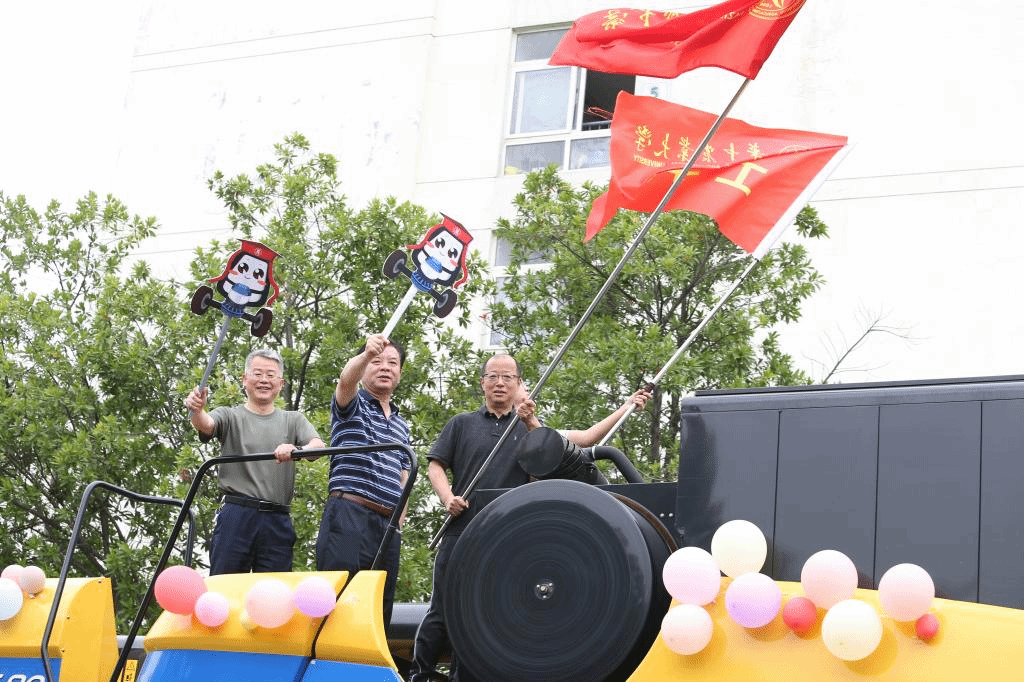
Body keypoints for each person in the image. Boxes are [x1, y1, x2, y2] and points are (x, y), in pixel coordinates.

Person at [409, 353, 532, 682]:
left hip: (506, 537)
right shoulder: (461, 423)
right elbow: (436, 466)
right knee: (443, 606)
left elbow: (543, 472)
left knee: (488, 611)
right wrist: (447, 497)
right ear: (482, 383)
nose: (500, 383)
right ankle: (421, 674)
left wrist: (532, 422)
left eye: (507, 377)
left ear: (519, 384)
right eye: (493, 376)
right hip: (461, 529)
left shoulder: (527, 429)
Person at [185, 348, 325, 576]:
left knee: (275, 590)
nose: (264, 380)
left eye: (270, 375)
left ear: (281, 383)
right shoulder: (230, 415)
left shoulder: (293, 420)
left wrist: (296, 450)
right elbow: (207, 424)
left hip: (277, 519)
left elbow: (318, 446)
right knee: (226, 586)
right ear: (244, 379)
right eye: (257, 374)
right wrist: (197, 410)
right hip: (236, 514)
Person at [315, 333, 411, 630]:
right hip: (350, 512)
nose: (385, 367)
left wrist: (399, 517)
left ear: (400, 371)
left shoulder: (401, 423)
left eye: (392, 363)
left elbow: (404, 472)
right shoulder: (353, 403)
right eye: (377, 361)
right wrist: (366, 353)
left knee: (379, 606)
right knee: (339, 598)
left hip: (387, 524)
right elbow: (346, 381)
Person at [516, 385, 652, 447]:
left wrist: (626, 407)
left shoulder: (538, 427)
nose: (527, 389)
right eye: (521, 384)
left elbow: (586, 438)